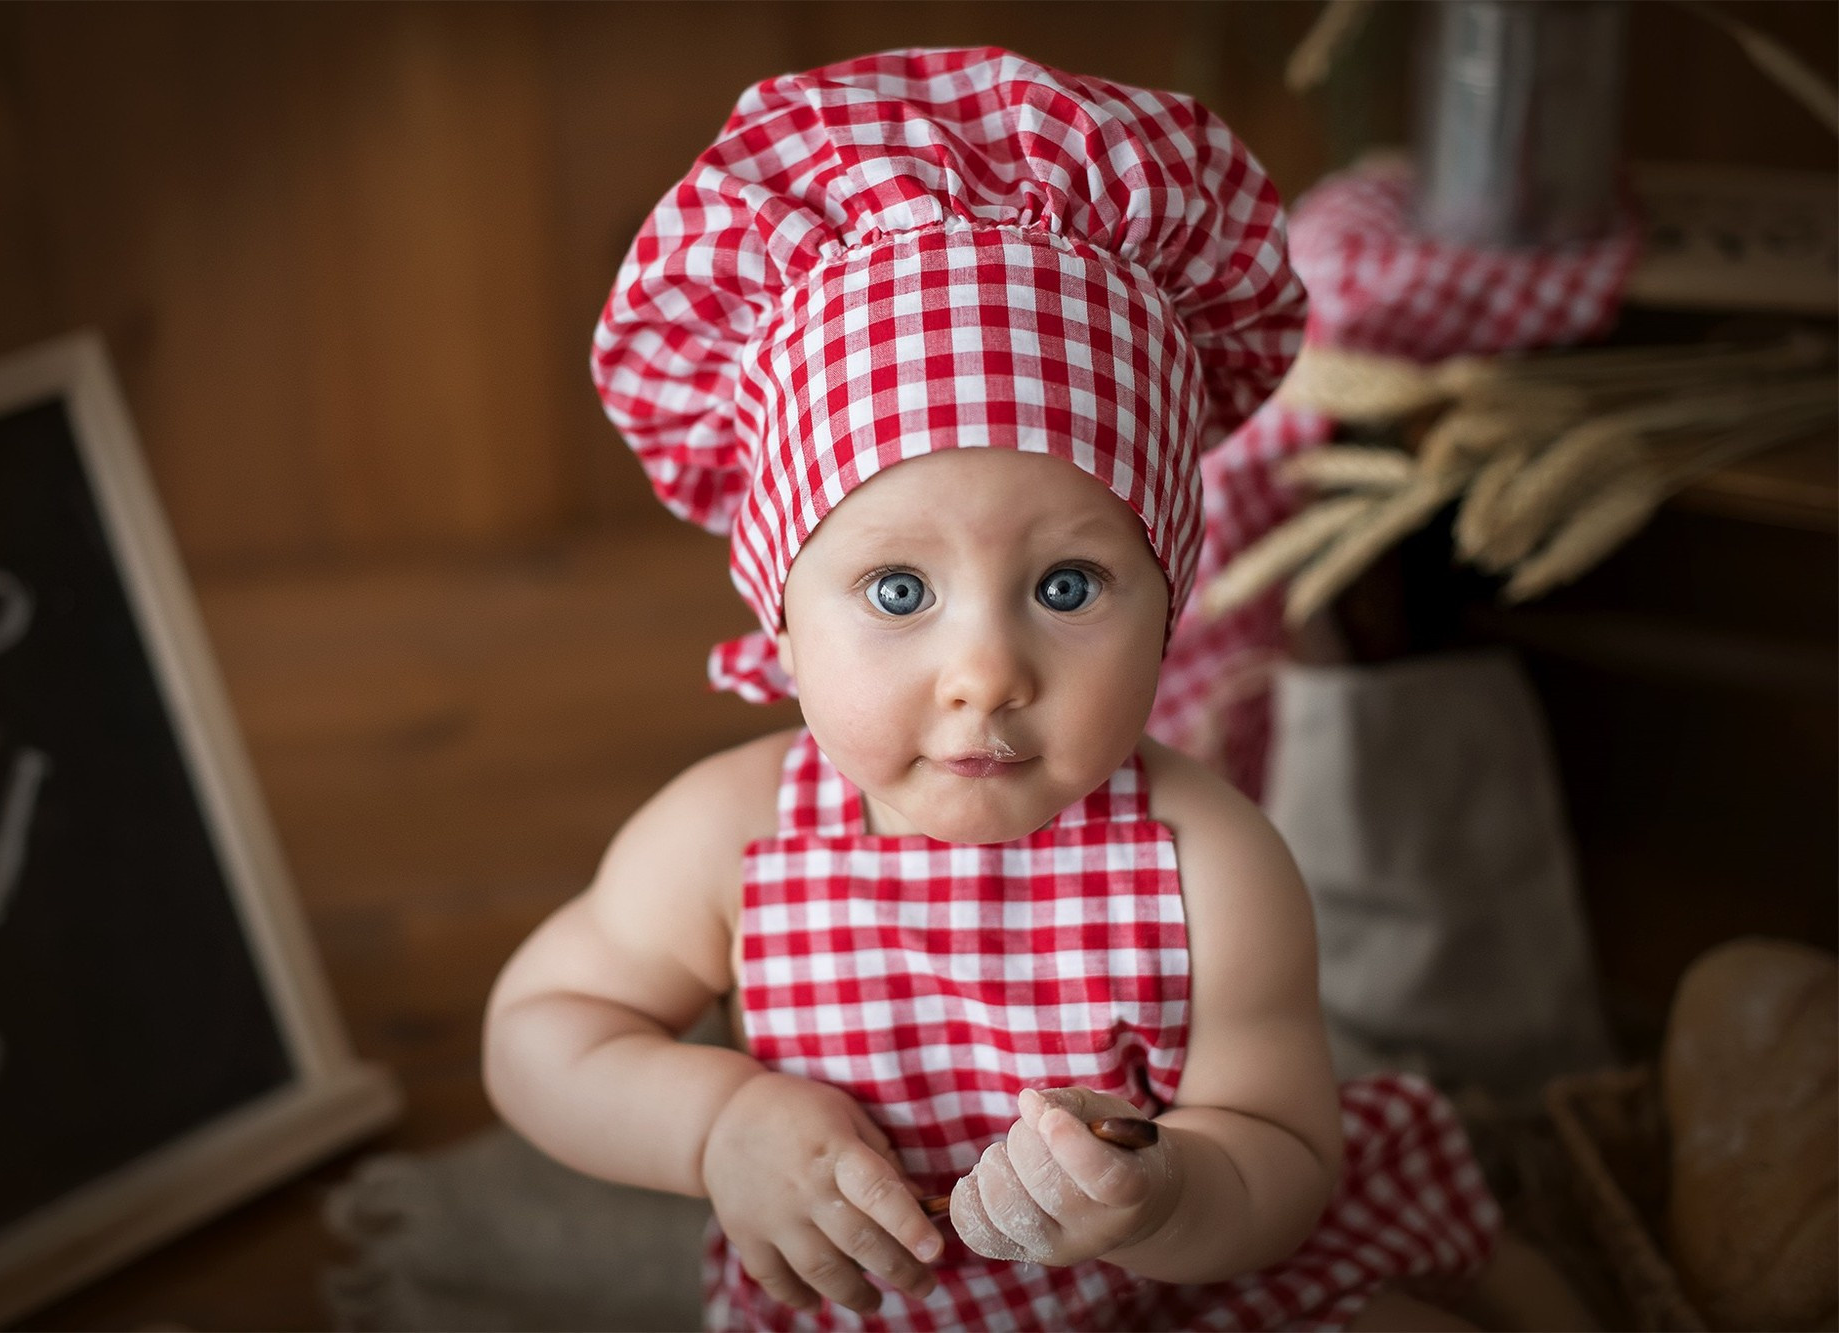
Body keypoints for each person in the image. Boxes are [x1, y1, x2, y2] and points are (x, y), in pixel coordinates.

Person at [484, 47, 1499, 1331]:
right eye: (897, 593)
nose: (986, 673)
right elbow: (540, 1030)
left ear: (1170, 604)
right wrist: (715, 1123)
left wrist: (1170, 1196)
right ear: (781, 624)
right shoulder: (728, 838)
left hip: (1152, 1305)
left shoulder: (1207, 860)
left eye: (1068, 587)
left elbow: (1280, 1154)